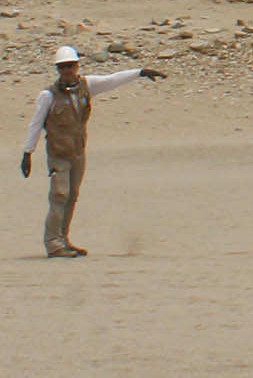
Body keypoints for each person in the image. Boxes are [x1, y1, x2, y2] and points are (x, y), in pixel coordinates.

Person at [18, 45, 165, 257]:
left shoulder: (87, 86)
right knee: (59, 195)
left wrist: (139, 73)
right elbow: (35, 124)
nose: (67, 70)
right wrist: (27, 153)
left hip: (78, 152)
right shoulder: (48, 95)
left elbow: (112, 79)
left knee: (72, 196)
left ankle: (64, 239)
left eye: (70, 66)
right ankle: (53, 243)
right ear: (58, 70)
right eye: (62, 67)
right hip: (58, 153)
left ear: (77, 66)